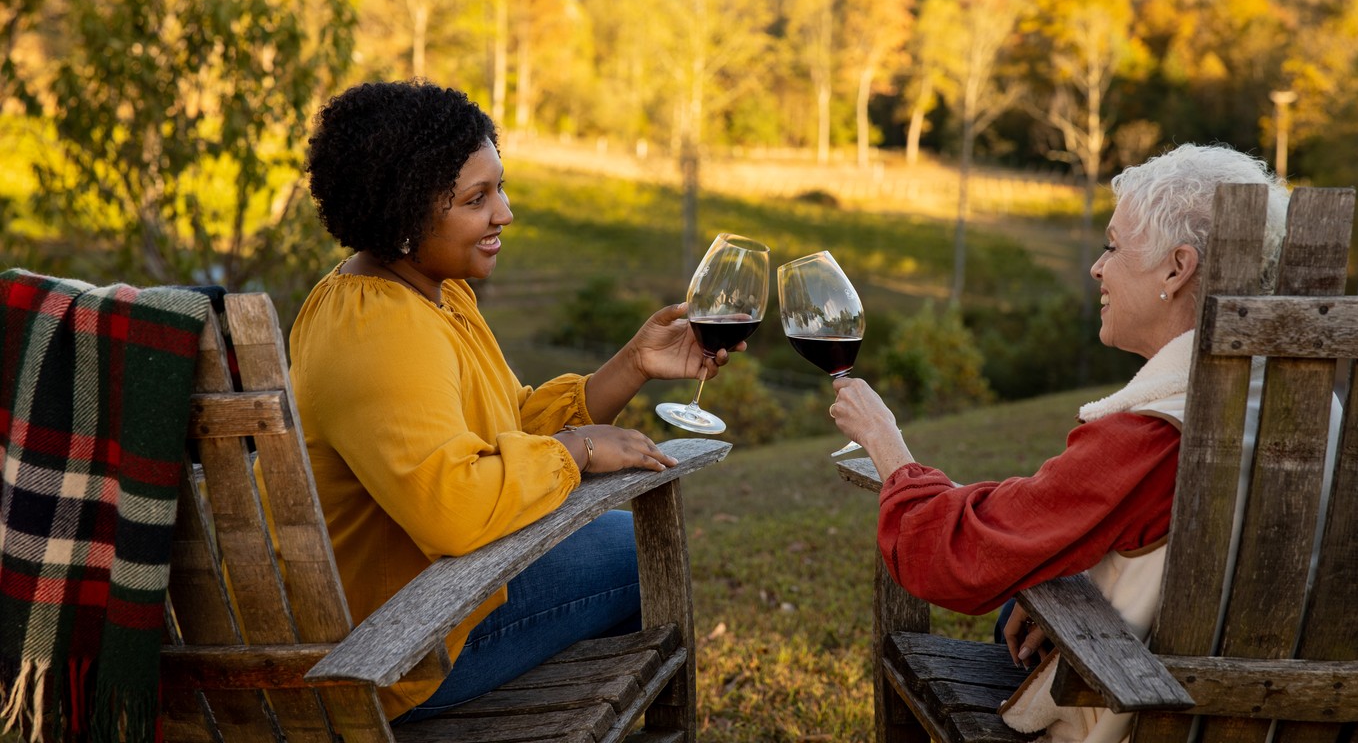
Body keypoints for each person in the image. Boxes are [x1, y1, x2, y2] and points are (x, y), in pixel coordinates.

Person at [291, 79, 734, 723]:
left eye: (498, 186)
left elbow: (510, 423)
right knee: (640, 556)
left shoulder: (422, 292)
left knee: (617, 538)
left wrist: (634, 363)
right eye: (477, 198)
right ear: (406, 216)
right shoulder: (380, 334)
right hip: (395, 649)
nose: (505, 213)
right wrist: (577, 450)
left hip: (440, 597)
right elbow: (453, 506)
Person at [828, 143, 1292, 743]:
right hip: (1281, 719)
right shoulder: (1304, 403)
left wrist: (885, 443)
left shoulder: (1153, 433)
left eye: (1114, 246)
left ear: (1177, 269)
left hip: (1143, 713)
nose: (1098, 267)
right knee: (1013, 613)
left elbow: (955, 556)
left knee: (1000, 622)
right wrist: (1059, 578)